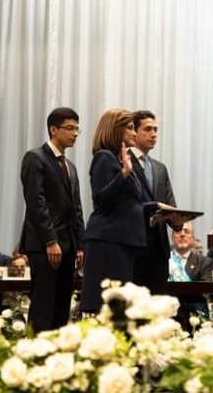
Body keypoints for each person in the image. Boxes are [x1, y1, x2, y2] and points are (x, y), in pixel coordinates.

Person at [80, 109, 155, 313]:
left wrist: (157, 209)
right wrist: (123, 174)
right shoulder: (104, 157)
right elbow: (100, 198)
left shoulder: (120, 158)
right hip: (108, 241)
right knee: (107, 306)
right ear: (116, 130)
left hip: (123, 240)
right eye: (129, 128)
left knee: (121, 306)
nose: (133, 133)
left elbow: (128, 203)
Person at [20, 107, 85, 332]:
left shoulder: (70, 166)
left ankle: (58, 357)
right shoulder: (35, 158)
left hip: (68, 245)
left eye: (77, 129)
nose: (75, 133)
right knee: (43, 306)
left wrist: (80, 245)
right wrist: (50, 241)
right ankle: (35, 357)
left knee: (61, 306)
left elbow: (76, 208)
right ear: (53, 129)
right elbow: (36, 204)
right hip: (44, 244)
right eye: (69, 128)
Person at [129, 110, 177, 295]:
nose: (154, 134)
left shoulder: (160, 168)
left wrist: (178, 221)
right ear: (134, 131)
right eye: (148, 129)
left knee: (155, 312)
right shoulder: (121, 161)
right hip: (133, 247)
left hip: (158, 250)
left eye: (156, 130)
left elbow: (170, 203)